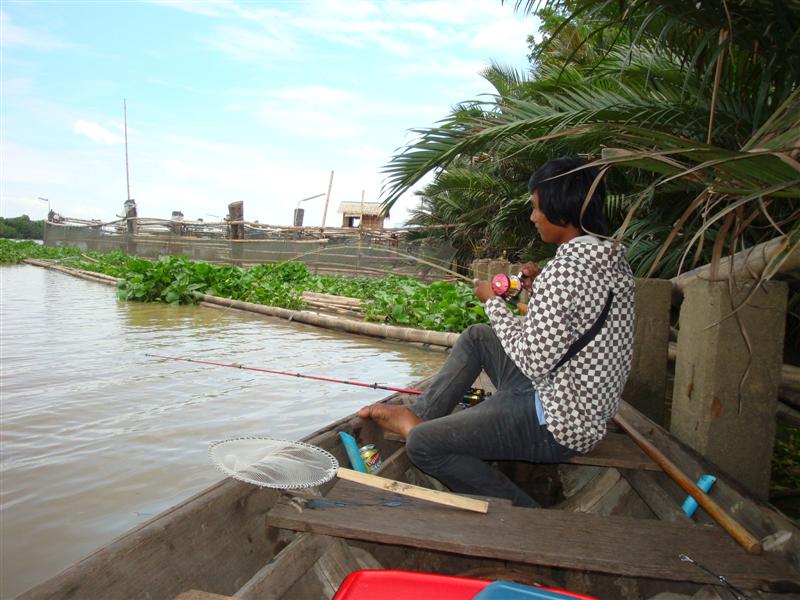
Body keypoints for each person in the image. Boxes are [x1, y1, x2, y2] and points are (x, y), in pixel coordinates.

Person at [358, 156, 636, 507]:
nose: (533, 217)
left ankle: (526, 515)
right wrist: (535, 292)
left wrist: (493, 302)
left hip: (560, 424)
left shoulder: (564, 270)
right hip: (575, 399)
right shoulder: (610, 259)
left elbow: (534, 362)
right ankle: (424, 414)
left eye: (537, 208)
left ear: (561, 210)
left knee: (423, 446)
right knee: (478, 336)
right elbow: (575, 323)